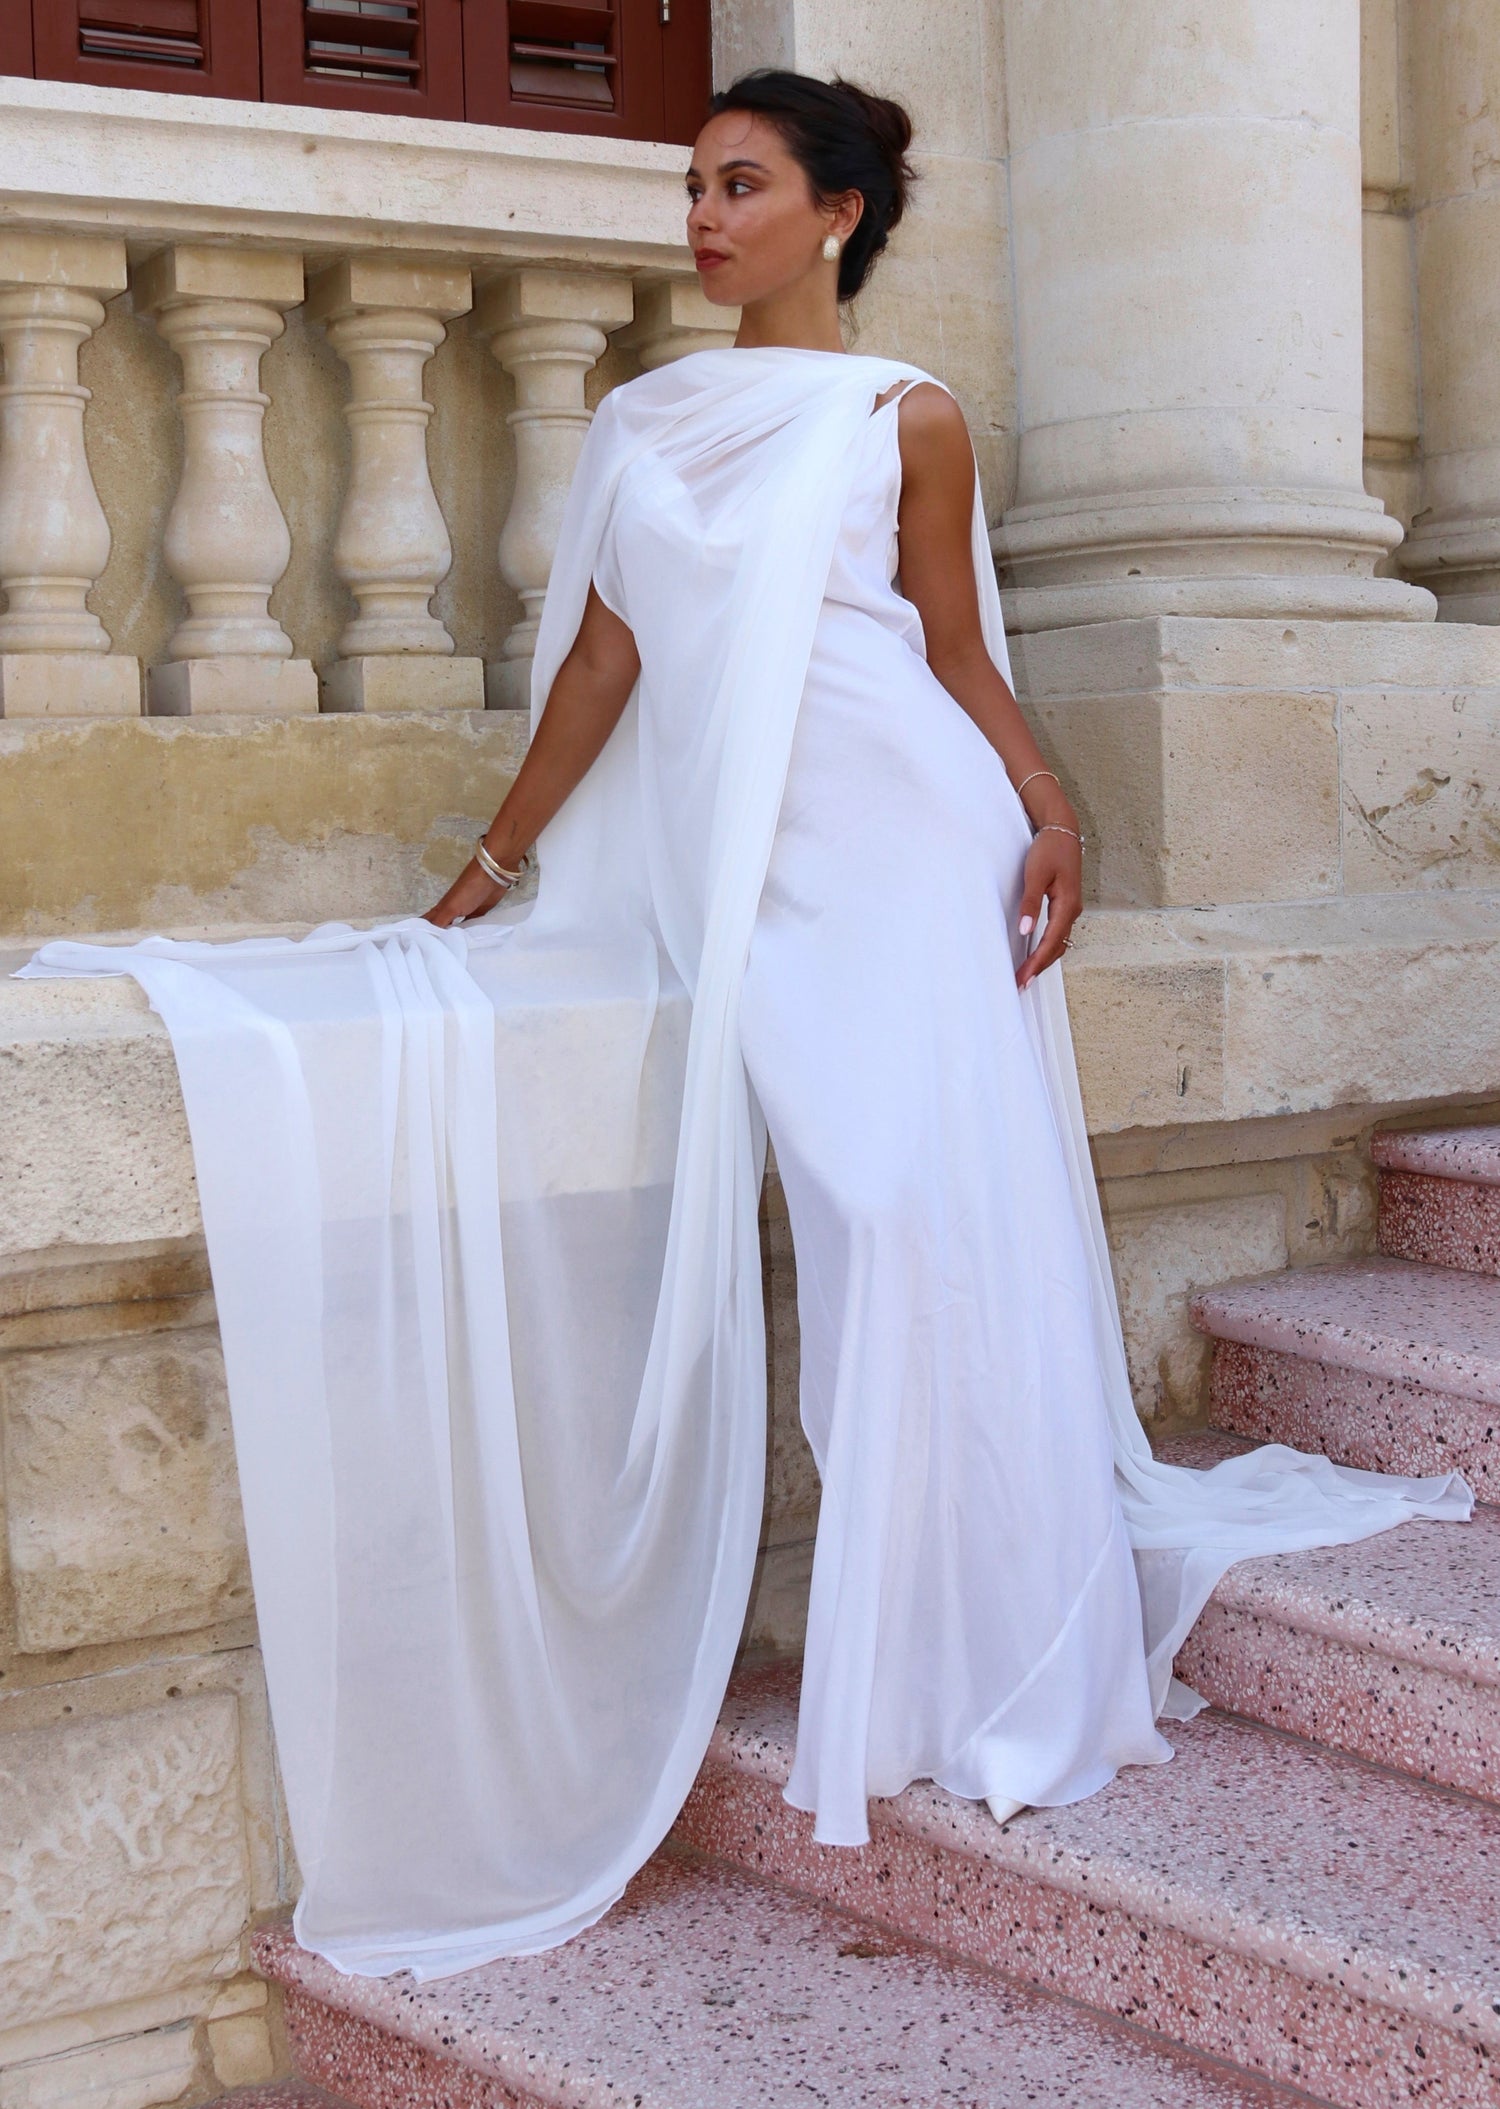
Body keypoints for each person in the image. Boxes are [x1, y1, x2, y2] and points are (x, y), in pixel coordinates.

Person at [20, 70, 1470, 1981]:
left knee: (912, 1216)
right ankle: (926, 1643)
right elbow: (613, 659)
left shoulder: (907, 417)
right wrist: (492, 863)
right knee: (870, 1217)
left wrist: (1046, 804)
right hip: (756, 887)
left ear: (839, 214)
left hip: (913, 851)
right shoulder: (641, 415)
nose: (702, 220)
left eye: (741, 186)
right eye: (694, 188)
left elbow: (951, 648)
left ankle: (973, 1652)